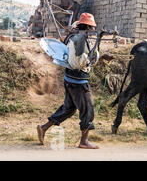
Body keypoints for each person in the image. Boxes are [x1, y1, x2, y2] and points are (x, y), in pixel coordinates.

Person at [37, 13, 101, 149]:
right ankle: (84, 142)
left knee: (69, 109)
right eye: (91, 28)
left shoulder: (74, 37)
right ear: (88, 27)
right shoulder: (80, 40)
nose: (92, 31)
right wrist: (92, 60)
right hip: (79, 82)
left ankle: (43, 128)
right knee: (88, 109)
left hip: (70, 79)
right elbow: (77, 63)